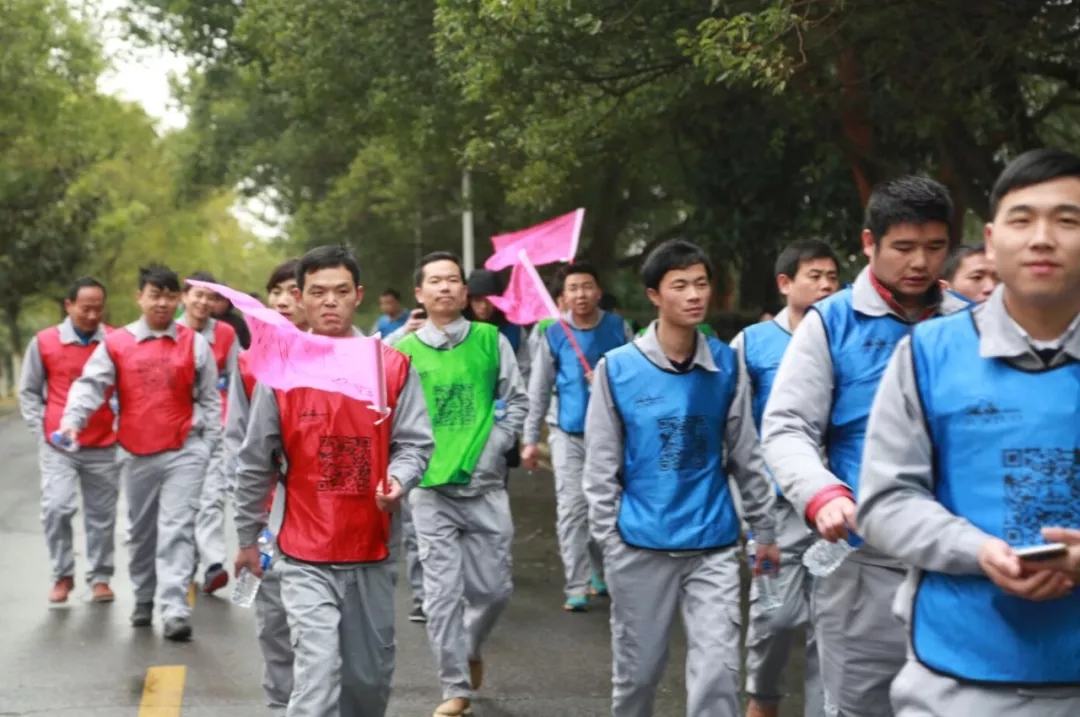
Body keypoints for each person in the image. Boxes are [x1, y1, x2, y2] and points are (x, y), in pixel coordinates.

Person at [858, 149, 1080, 717]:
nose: (1042, 239)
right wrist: (978, 551)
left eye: (1067, 220)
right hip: (956, 679)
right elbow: (885, 501)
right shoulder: (928, 355)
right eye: (1023, 219)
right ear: (991, 240)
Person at [761, 176, 969, 717]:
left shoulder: (971, 323)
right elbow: (786, 426)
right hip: (863, 556)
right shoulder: (831, 324)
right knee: (859, 705)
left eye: (935, 247)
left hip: (960, 560)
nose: (920, 262)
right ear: (869, 243)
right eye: (903, 247)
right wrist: (822, 494)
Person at [234, 245, 434, 717]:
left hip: (372, 548)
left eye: (341, 292)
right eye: (318, 292)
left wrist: (399, 479)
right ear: (300, 297)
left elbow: (415, 444)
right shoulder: (281, 373)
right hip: (303, 551)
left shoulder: (391, 366)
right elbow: (256, 461)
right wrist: (247, 537)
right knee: (317, 675)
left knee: (367, 682)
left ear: (358, 296)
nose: (329, 302)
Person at [584, 239, 779, 717]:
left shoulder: (726, 365)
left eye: (701, 283)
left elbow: (745, 452)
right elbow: (601, 468)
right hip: (639, 544)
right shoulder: (618, 369)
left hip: (711, 544)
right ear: (654, 295)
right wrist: (611, 541)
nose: (694, 295)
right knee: (638, 674)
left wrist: (764, 529)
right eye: (680, 286)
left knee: (718, 674)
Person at [58, 263, 221, 640]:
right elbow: (90, 385)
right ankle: (144, 597)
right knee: (141, 532)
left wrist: (209, 445)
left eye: (169, 296)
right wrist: (72, 420)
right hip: (136, 452)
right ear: (140, 297)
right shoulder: (117, 344)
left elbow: (210, 399)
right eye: (155, 295)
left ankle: (175, 608)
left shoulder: (195, 344)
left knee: (177, 529)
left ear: (179, 299)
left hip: (185, 450)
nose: (162, 303)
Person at [395, 251, 527, 717]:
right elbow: (386, 411)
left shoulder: (491, 340)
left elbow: (516, 400)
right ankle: (454, 687)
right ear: (420, 293)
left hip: (485, 486)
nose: (445, 287)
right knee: (441, 595)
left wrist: (496, 445)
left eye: (453, 280)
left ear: (465, 292)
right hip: (430, 490)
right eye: (435, 281)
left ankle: (470, 645)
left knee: (495, 590)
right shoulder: (404, 352)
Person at [729, 239, 839, 717]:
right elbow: (734, 425)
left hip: (838, 502)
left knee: (830, 621)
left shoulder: (845, 334)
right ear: (785, 284)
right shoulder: (751, 344)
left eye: (832, 277)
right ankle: (763, 695)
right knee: (775, 614)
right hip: (774, 508)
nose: (826, 285)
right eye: (815, 276)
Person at [522, 262, 633, 611]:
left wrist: (607, 382)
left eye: (587, 286)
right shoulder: (554, 334)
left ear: (598, 291)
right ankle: (577, 584)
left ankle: (601, 572)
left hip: (611, 436)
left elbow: (637, 378)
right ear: (563, 296)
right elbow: (539, 389)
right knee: (572, 508)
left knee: (606, 507)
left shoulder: (618, 329)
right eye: (573, 288)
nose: (581, 294)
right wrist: (529, 439)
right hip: (566, 433)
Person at [224, 258, 307, 716]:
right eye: (275, 291)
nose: (282, 300)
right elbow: (238, 440)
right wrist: (247, 515)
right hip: (271, 516)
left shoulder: (341, 357)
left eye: (293, 290)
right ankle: (281, 705)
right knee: (273, 620)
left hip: (324, 512)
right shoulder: (248, 362)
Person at [18, 277, 119, 604]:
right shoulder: (44, 342)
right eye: (85, 308)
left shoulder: (115, 341)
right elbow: (29, 391)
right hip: (58, 444)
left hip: (104, 443)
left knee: (101, 515)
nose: (92, 315)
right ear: (69, 305)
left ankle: (100, 577)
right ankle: (62, 574)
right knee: (57, 508)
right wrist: (42, 431)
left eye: (98, 309)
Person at [179, 271, 240, 595]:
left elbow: (238, 377)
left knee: (213, 496)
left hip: (219, 425)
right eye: (197, 295)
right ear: (184, 297)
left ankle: (214, 564)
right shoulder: (172, 332)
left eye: (210, 296)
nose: (204, 302)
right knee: (184, 501)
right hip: (179, 431)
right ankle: (185, 564)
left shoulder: (227, 334)